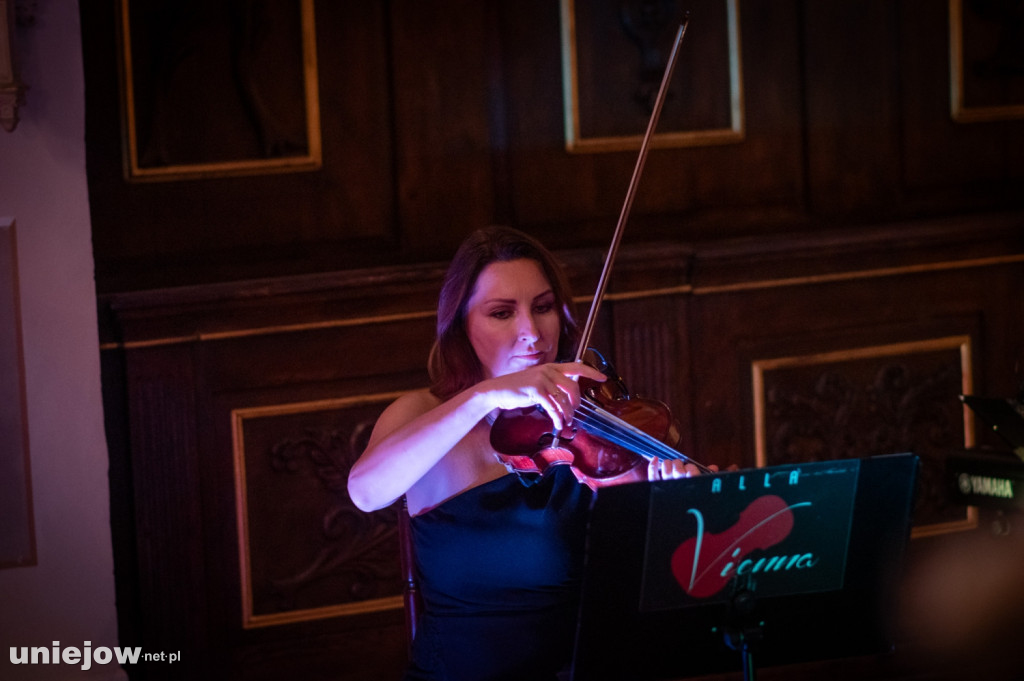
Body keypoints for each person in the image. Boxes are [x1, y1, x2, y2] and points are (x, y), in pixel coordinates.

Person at [348, 226, 705, 680]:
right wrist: (484, 398)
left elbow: (647, 589)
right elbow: (365, 492)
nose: (532, 333)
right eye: (501, 313)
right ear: (462, 325)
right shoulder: (425, 414)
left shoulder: (595, 428)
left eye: (543, 307)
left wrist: (680, 509)